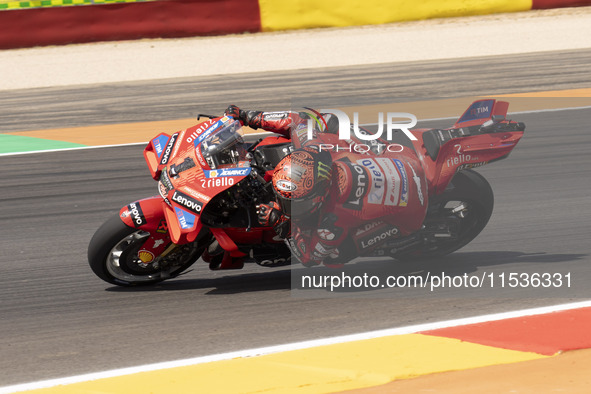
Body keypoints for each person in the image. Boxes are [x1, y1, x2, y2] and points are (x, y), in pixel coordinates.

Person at [224, 105, 428, 267]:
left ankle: (404, 235)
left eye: (295, 203)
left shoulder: (333, 221)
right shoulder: (313, 148)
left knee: (334, 256)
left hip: (413, 209)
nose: (287, 205)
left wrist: (282, 224)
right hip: (402, 159)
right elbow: (296, 120)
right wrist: (249, 116)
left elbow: (309, 258)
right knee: (330, 122)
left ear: (319, 198)